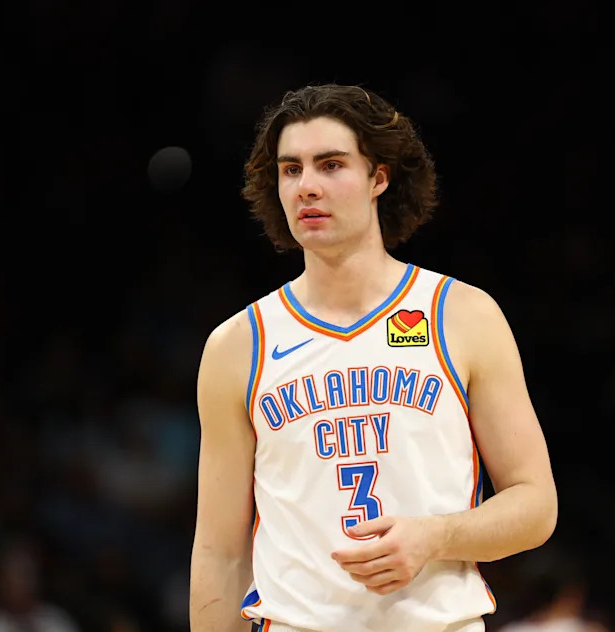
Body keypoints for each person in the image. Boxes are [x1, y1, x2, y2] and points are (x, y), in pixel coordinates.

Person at [190, 83, 558, 632]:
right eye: (291, 170)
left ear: (378, 178)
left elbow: (535, 505)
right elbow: (219, 553)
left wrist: (436, 536)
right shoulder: (237, 345)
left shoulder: (461, 315)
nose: (306, 186)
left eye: (331, 164)